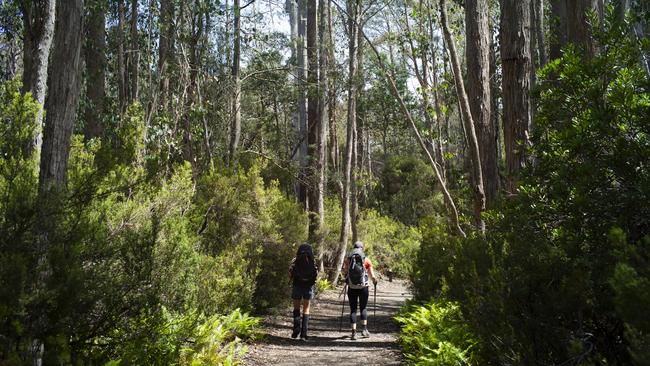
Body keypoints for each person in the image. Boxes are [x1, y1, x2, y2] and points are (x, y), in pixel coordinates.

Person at [342, 241, 378, 340]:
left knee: (353, 309)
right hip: (363, 287)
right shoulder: (366, 260)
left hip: (352, 287)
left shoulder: (348, 259)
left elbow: (345, 271)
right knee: (363, 308)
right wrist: (374, 281)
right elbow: (372, 275)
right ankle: (364, 330)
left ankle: (353, 333)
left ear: (354, 248)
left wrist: (347, 275)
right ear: (362, 249)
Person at [289, 243, 318, 341]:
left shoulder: (295, 260)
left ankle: (296, 329)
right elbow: (315, 275)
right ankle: (303, 334)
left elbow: (290, 274)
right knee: (306, 309)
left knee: (296, 308)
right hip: (308, 286)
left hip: (297, 285)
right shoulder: (312, 261)